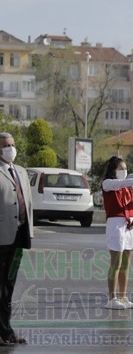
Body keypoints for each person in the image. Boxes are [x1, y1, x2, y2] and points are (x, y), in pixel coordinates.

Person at [101, 156, 133, 310]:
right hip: (116, 224)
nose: (124, 171)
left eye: (125, 169)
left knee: (126, 264)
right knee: (115, 263)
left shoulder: (128, 188)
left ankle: (123, 296)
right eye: (120, 169)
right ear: (113, 170)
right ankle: (112, 298)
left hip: (129, 224)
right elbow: (122, 183)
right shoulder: (108, 184)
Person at [0, 132, 32, 345]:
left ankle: (5, 330)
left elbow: (28, 204)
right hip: (1, 238)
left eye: (12, 144)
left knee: (9, 285)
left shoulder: (21, 171)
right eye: (6, 145)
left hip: (18, 236)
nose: (11, 148)